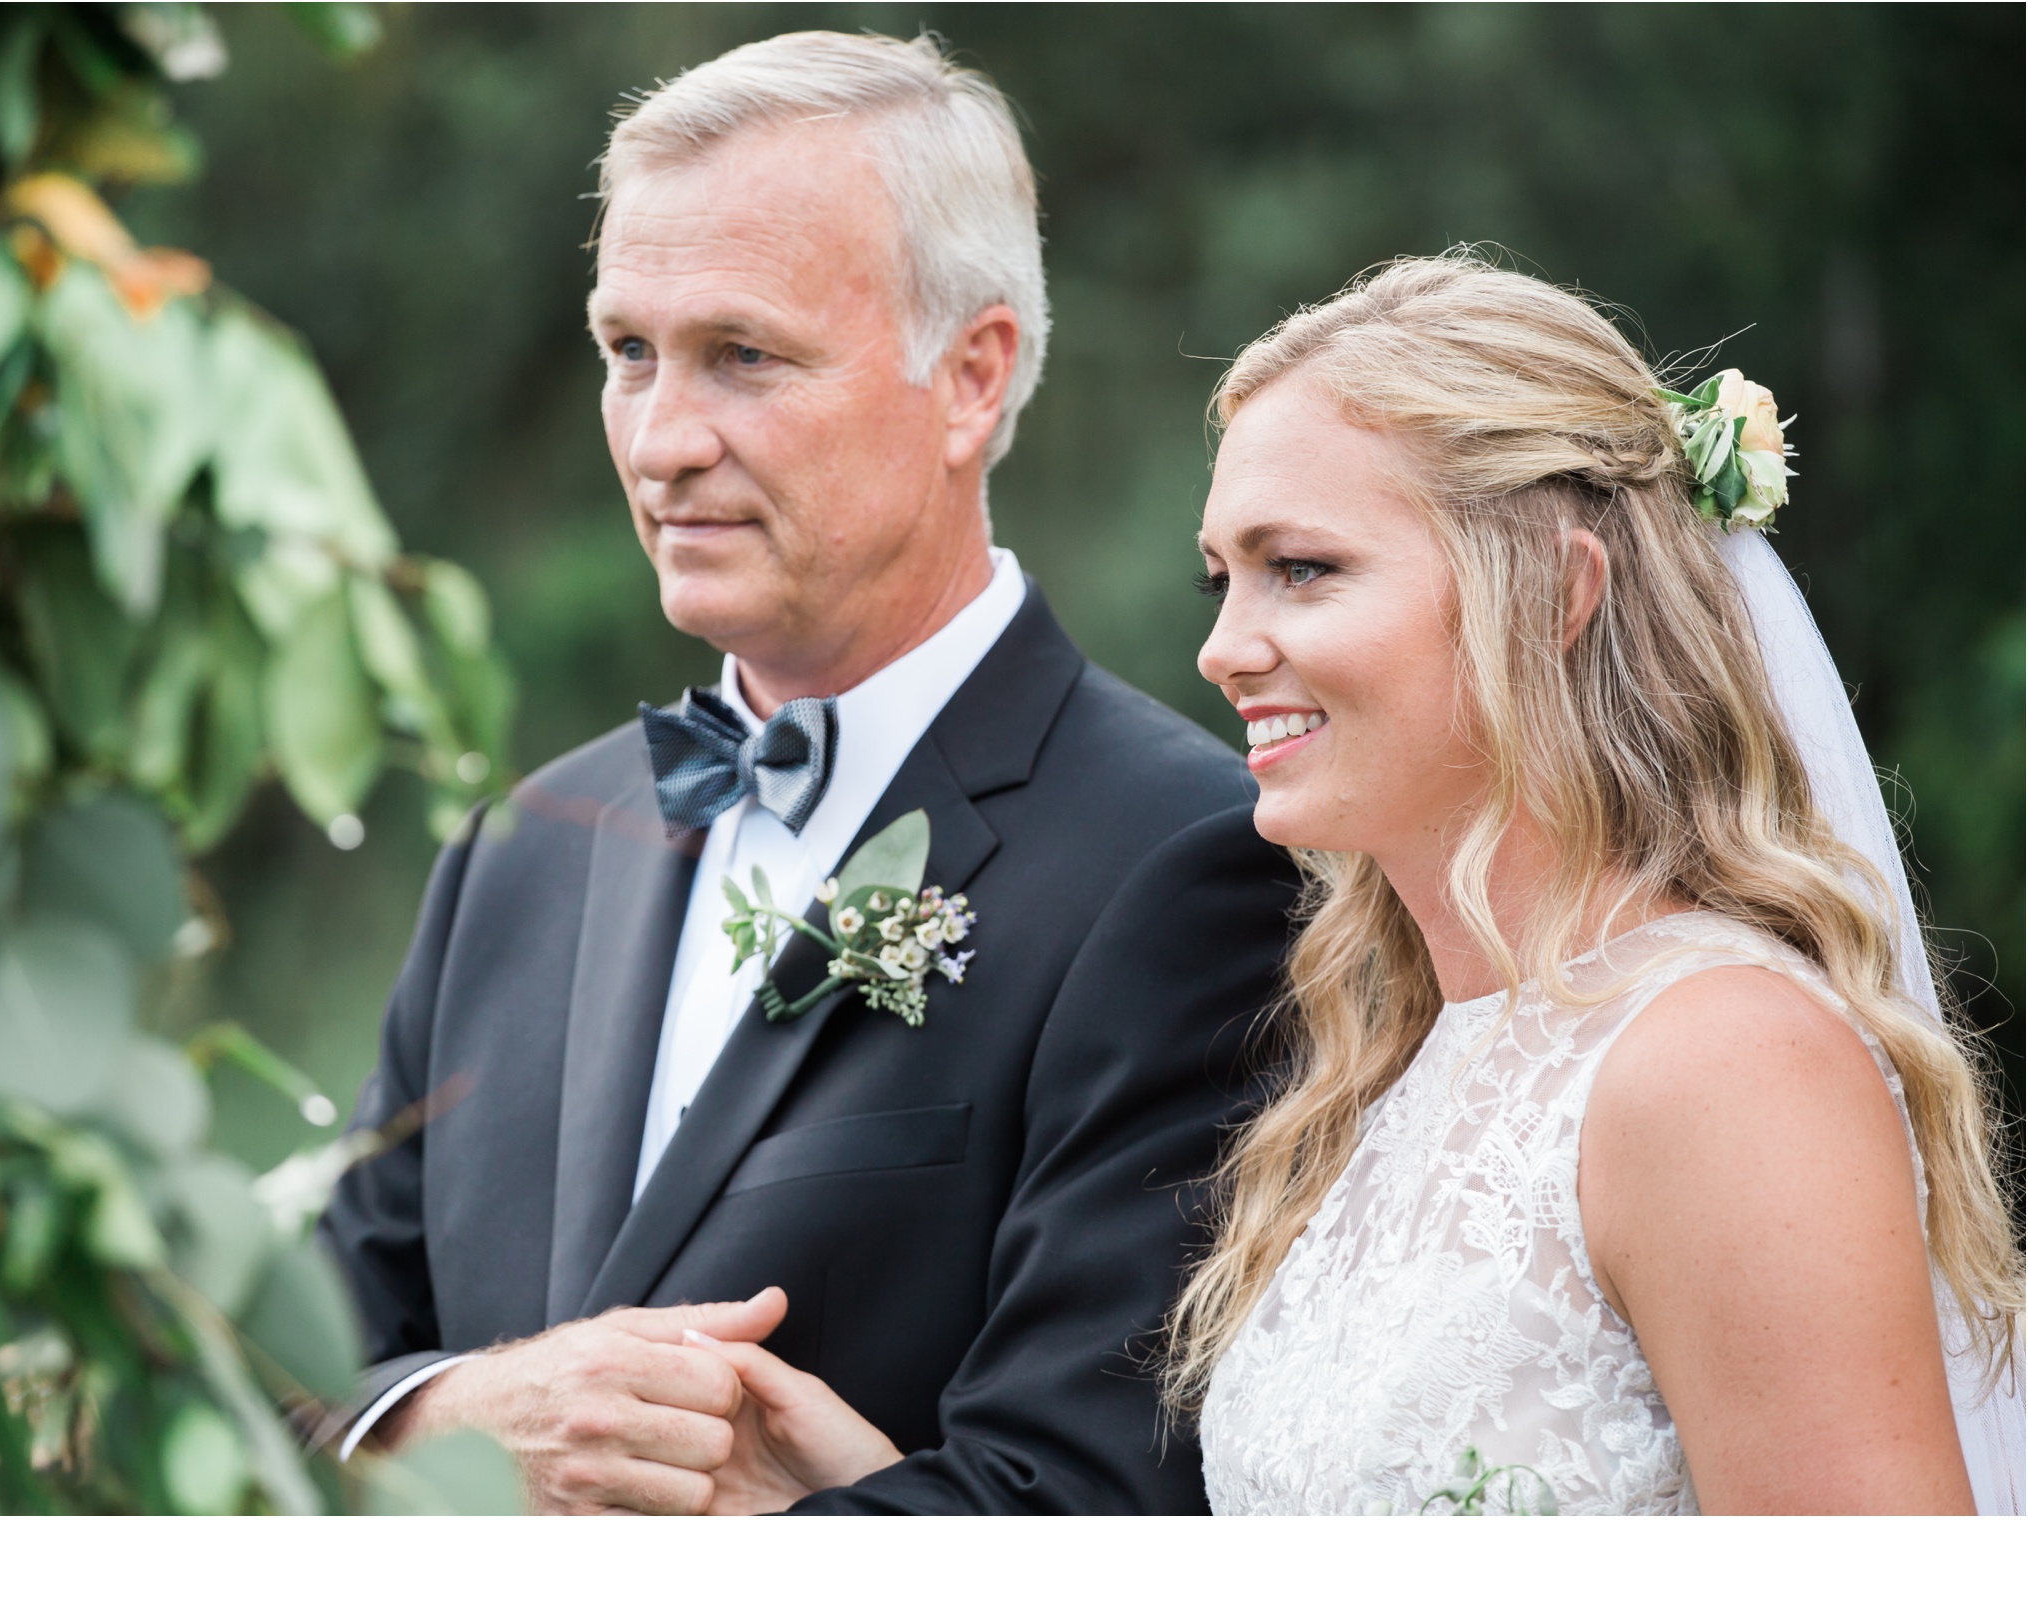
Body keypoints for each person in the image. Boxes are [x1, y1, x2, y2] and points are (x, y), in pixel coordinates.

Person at [316, 31, 1299, 1514]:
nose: (660, 440)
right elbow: (276, 1366)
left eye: (743, 356)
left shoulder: (1189, 863)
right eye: (627, 352)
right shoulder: (521, 851)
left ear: (971, 376)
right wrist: (460, 1415)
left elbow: (1089, 1507)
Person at [1161, 253, 2025, 1514]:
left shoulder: (1724, 1063)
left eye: (1301, 568)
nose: (1223, 647)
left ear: (1558, 592)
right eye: (1219, 576)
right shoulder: (1408, 1054)